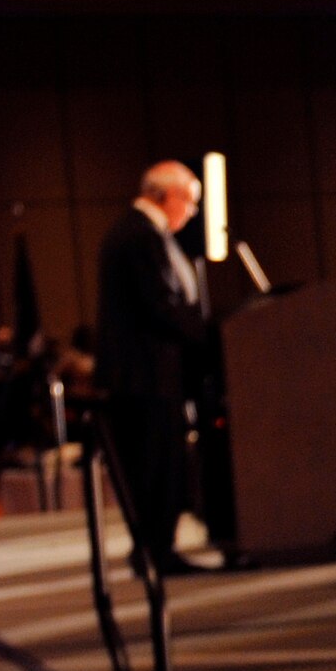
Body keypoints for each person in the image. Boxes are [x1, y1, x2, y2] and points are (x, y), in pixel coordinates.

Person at [95, 160, 209, 573]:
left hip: (146, 377)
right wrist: (208, 333)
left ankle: (155, 549)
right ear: (169, 195)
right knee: (153, 469)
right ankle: (155, 551)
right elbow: (159, 306)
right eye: (191, 202)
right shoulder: (138, 236)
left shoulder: (138, 232)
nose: (193, 212)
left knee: (158, 467)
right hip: (143, 379)